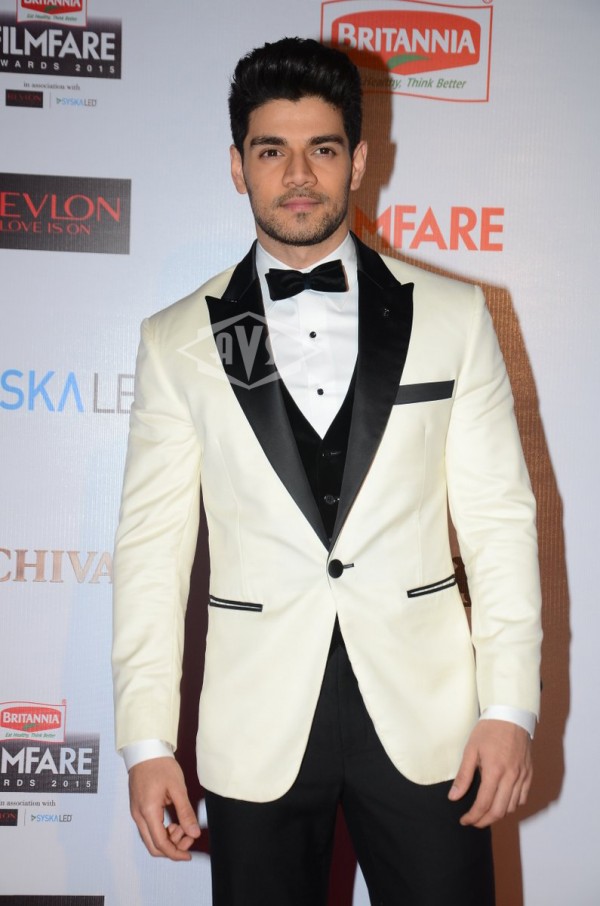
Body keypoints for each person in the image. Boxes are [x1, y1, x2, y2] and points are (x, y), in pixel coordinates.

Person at [112, 37, 542, 906]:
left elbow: (500, 523)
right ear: (238, 165)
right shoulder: (177, 340)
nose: (299, 175)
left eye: (324, 149)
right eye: (272, 151)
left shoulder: (454, 316)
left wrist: (509, 709)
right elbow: (151, 553)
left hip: (429, 718)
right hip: (256, 721)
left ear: (361, 161)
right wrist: (147, 742)